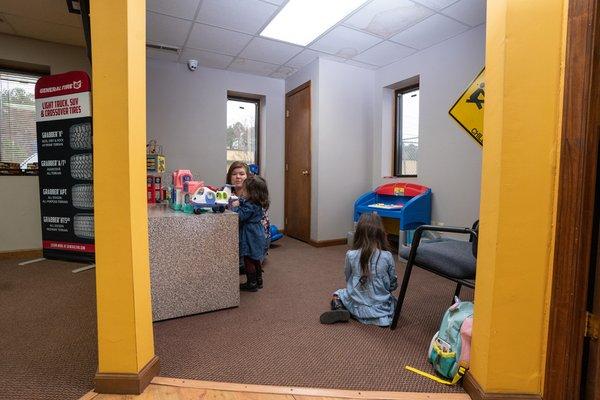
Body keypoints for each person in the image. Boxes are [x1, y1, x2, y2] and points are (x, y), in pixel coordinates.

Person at [320, 213, 398, 326]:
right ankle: (377, 317)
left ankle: (339, 308)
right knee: (393, 301)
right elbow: (393, 282)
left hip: (357, 306)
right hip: (381, 309)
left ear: (358, 234)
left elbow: (348, 277)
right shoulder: (387, 256)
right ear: (381, 234)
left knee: (338, 293)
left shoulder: (351, 255)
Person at [235, 175, 270, 292]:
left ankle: (252, 283)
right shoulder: (256, 202)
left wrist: (234, 208)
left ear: (251, 193)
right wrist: (240, 200)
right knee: (256, 258)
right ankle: (259, 280)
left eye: (244, 190)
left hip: (250, 234)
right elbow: (245, 202)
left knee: (248, 259)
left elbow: (241, 216)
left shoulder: (249, 205)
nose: (242, 192)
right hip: (257, 232)